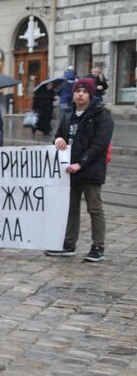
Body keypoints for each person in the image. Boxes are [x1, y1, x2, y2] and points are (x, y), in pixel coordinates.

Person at [46, 77, 113, 263]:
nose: (80, 94)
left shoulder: (102, 115)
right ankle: (69, 244)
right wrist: (58, 140)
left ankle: (98, 246)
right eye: (77, 91)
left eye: (84, 92)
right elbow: (59, 136)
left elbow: (99, 145)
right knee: (70, 208)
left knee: (94, 209)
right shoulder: (68, 115)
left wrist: (81, 163)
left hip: (90, 170)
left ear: (90, 95)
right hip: (70, 170)